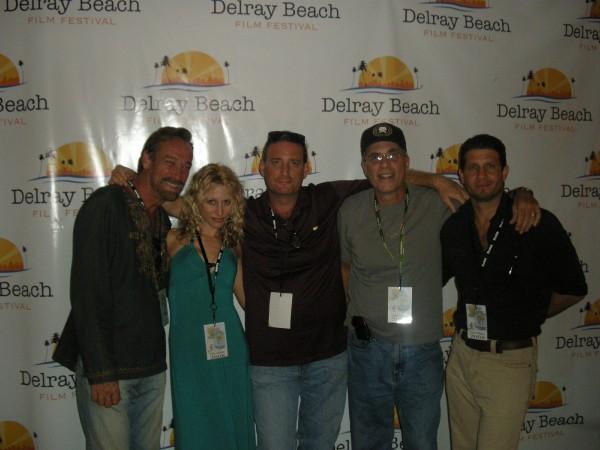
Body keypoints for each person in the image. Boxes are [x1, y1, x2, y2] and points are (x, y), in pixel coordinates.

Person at [109, 130, 467, 450]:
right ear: (262, 167)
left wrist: (436, 180)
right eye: (276, 163)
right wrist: (133, 178)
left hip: (327, 359)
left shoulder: (329, 199)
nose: (284, 171)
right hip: (269, 364)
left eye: (294, 163)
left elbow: (386, 178)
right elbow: (183, 205)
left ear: (307, 167)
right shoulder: (240, 213)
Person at [338, 123, 540, 450]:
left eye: (392, 155)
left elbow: (489, 198)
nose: (384, 164)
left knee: (421, 441)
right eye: (374, 158)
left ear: (406, 161)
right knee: (369, 441)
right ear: (364, 166)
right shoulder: (350, 209)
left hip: (421, 352)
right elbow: (345, 268)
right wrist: (358, 317)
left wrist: (521, 193)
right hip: (366, 349)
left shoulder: (438, 204)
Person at [441, 134, 588, 450]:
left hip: (509, 361)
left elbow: (574, 289)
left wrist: (531, 313)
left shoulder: (536, 222)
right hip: (462, 355)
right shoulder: (454, 227)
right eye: (474, 168)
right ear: (461, 175)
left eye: (490, 167)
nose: (482, 176)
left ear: (505, 172)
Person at [53, 127, 193, 450]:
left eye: (186, 166)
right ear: (146, 159)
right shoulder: (107, 206)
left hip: (151, 368)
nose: (179, 173)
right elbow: (87, 293)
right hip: (110, 370)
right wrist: (100, 373)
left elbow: (212, 218)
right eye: (170, 162)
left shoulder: (160, 220)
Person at [166, 163, 255, 450]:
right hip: (188, 348)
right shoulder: (173, 241)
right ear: (196, 202)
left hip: (230, 344)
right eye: (211, 202)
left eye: (227, 202)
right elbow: (158, 196)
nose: (220, 211)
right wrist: (126, 175)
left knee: (233, 415)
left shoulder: (233, 245)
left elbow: (247, 301)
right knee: (195, 419)